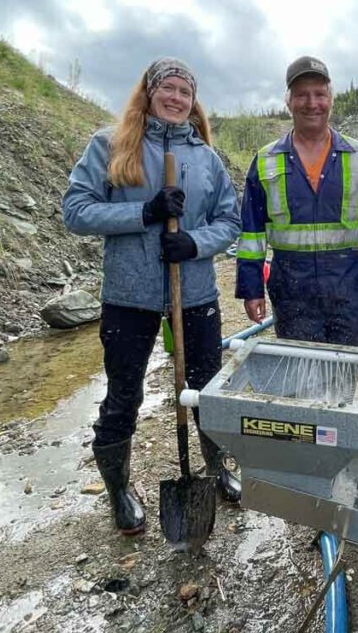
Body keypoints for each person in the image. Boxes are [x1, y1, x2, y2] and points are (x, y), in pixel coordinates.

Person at [62, 57, 242, 535]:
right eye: (169, 89)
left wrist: (195, 243)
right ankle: (119, 490)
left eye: (186, 91)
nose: (178, 98)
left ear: (193, 100)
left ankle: (216, 466)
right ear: (149, 92)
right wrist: (144, 212)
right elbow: (76, 211)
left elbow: (230, 221)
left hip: (195, 293)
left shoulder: (205, 157)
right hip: (129, 296)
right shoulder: (109, 144)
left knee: (207, 389)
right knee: (124, 395)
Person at [235, 56, 358, 377]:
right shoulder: (265, 160)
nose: (312, 103)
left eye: (320, 94)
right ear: (288, 101)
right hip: (291, 287)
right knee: (303, 376)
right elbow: (251, 234)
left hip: (348, 284)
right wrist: (251, 288)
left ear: (331, 99)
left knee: (355, 375)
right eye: (302, 95)